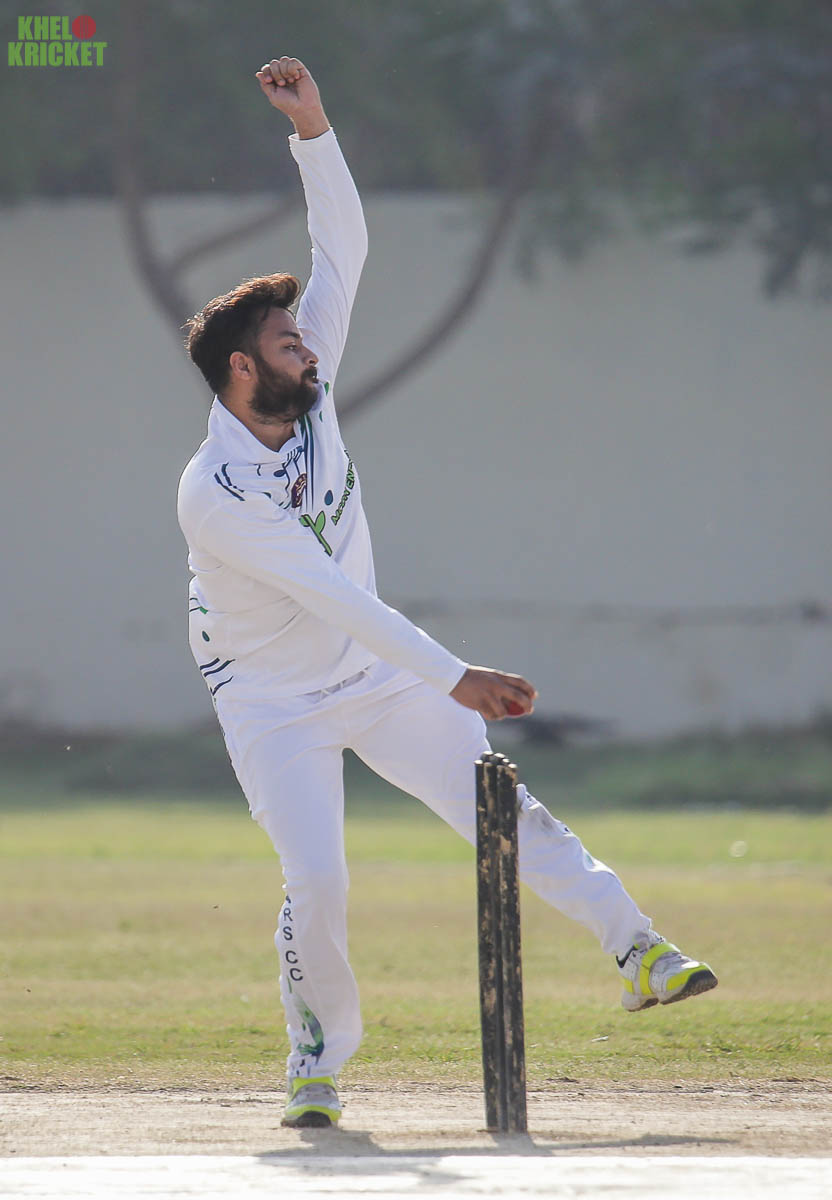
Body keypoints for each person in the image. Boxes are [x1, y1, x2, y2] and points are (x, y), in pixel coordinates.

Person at [177, 56, 717, 1129]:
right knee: (317, 881)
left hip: (377, 673)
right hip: (272, 699)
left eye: (304, 335)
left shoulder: (310, 388)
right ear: (243, 370)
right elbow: (330, 594)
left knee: (501, 811)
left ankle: (639, 949)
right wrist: (455, 673)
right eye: (287, 341)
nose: (310, 347)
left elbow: (344, 250)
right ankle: (316, 1063)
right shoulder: (214, 493)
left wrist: (313, 131)